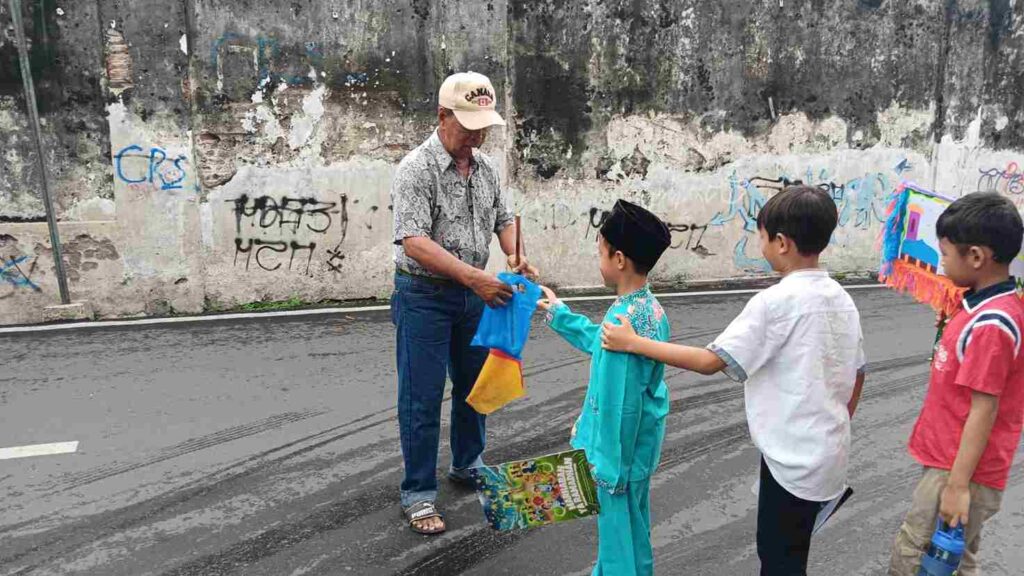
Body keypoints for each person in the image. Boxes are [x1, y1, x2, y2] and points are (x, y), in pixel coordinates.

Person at [602, 186, 866, 576]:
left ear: (780, 243)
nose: (758, 244)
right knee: (792, 553)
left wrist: (634, 343)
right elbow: (857, 375)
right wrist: (834, 424)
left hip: (791, 461)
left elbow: (712, 361)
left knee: (777, 559)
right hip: (827, 453)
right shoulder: (842, 298)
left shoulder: (775, 304)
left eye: (759, 236)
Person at [391, 71, 537, 535]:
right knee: (422, 396)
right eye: (468, 124)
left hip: (475, 294)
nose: (477, 135)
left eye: (483, 126)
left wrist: (515, 254)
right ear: (442, 115)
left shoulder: (487, 168)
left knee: (477, 388)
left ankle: (467, 464)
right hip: (424, 296)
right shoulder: (416, 168)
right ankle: (418, 492)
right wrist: (477, 278)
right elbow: (414, 241)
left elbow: (503, 218)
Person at [888, 192, 1024, 576]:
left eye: (946, 254)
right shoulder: (979, 305)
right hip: (951, 462)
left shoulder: (992, 324)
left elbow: (985, 408)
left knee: (918, 557)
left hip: (959, 469)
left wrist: (958, 486)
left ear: (977, 257)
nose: (941, 261)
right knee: (952, 560)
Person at [537, 199, 672, 576]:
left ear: (618, 259)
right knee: (633, 532)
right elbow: (600, 341)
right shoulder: (649, 309)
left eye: (599, 252)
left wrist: (606, 463)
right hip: (640, 450)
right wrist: (557, 312)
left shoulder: (621, 319)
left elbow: (617, 406)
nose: (597, 260)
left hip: (618, 459)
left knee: (617, 544)